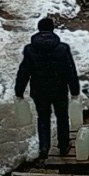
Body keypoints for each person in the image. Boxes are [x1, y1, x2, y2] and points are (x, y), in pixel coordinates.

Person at [14, 16, 81, 160]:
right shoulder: (62, 49)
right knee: (62, 117)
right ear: (52, 29)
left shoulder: (30, 50)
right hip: (59, 90)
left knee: (43, 118)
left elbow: (24, 71)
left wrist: (19, 91)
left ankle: (44, 147)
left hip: (39, 91)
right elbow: (70, 71)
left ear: (39, 30)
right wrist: (75, 91)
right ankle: (63, 147)